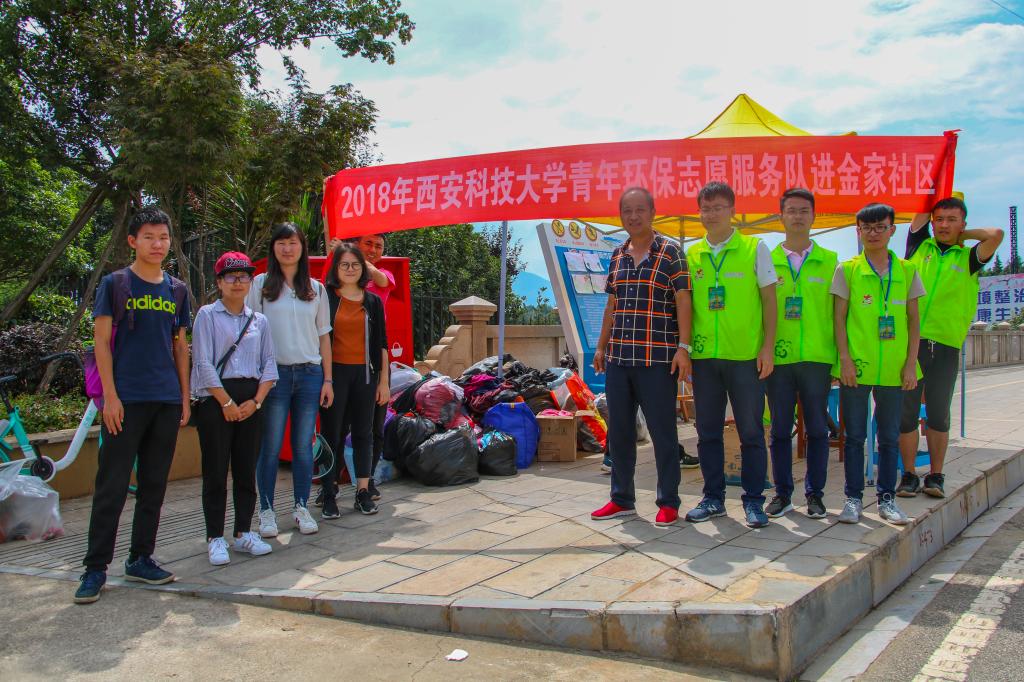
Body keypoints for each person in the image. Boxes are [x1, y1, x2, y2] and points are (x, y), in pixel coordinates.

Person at [74, 207, 191, 604]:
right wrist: (110, 396)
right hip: (125, 401)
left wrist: (183, 396)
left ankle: (140, 558)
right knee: (111, 486)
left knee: (154, 485)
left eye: (163, 237)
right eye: (149, 237)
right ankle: (95, 568)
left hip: (165, 399)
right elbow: (101, 342)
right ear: (133, 241)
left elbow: (180, 346)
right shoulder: (116, 284)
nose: (157, 244)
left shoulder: (177, 290)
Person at [591, 186, 692, 527]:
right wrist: (601, 346)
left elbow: (683, 301)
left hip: (658, 358)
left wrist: (684, 348)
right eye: (627, 211)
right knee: (619, 432)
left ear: (652, 212)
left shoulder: (670, 252)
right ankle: (621, 499)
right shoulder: (617, 255)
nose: (633, 216)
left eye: (639, 210)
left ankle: (668, 501)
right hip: (619, 359)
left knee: (663, 433)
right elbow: (612, 304)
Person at [684, 182, 777, 529]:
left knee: (751, 431)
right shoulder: (692, 254)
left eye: (718, 207)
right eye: (706, 208)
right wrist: (686, 350)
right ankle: (713, 498)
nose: (712, 214)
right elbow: (686, 307)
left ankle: (754, 501)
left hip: (745, 357)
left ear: (732, 211)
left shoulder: (755, 248)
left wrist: (767, 347)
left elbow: (770, 301)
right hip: (705, 358)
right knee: (707, 431)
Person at [897, 197, 1003, 498]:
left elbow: (996, 235)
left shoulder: (968, 258)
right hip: (911, 344)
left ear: (963, 224)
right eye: (939, 219)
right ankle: (908, 475)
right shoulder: (919, 247)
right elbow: (921, 205)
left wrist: (961, 237)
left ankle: (936, 475)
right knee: (906, 414)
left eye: (951, 220)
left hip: (945, 345)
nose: (943, 225)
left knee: (938, 413)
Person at [833, 203, 923, 526]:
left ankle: (887, 499)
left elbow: (914, 321)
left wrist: (911, 364)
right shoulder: (847, 270)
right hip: (856, 367)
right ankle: (853, 499)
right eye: (867, 228)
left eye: (880, 227)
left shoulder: (908, 271)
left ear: (892, 230)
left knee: (888, 436)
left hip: (894, 369)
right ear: (858, 231)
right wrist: (844, 359)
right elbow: (838, 319)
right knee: (854, 437)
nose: (873, 233)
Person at [191, 252, 278, 566]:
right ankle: (215, 536)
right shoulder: (207, 315)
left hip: (251, 399)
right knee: (215, 471)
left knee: (245, 470)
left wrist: (256, 401)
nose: (238, 282)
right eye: (231, 277)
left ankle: (243, 531)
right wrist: (226, 402)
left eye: (244, 277)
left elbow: (269, 363)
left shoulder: (259, 320)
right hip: (216, 400)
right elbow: (202, 362)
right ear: (219, 282)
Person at [247, 224, 333, 538]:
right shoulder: (260, 285)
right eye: (281, 243)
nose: (287, 249)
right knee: (270, 447)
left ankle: (301, 507)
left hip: (310, 374)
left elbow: (324, 338)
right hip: (274, 376)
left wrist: (328, 379)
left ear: (302, 247)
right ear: (273, 248)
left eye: (293, 243)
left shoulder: (316, 289)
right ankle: (266, 511)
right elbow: (251, 333)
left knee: (303, 447)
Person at [764, 188, 838, 520]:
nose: (797, 216)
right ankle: (782, 494)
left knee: (818, 429)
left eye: (803, 210)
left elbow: (839, 315)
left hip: (817, 358)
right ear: (781, 216)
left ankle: (815, 495)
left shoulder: (831, 261)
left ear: (813, 216)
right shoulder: (766, 261)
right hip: (778, 359)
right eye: (791, 210)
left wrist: (838, 359)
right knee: (780, 430)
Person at [319, 233, 394, 504]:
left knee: (368, 432)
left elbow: (382, 343)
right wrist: (326, 379)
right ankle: (329, 487)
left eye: (378, 246)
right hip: (335, 374)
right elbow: (321, 337)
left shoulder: (376, 293)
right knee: (333, 432)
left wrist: (383, 381)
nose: (350, 269)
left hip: (367, 372)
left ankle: (364, 486)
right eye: (345, 264)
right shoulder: (326, 297)